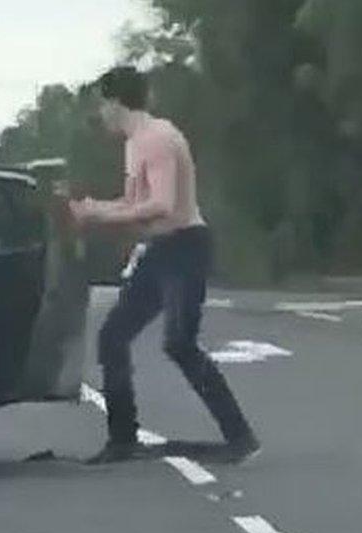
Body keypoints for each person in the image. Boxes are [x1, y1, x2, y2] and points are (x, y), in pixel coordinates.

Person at [67, 66, 260, 465]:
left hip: (185, 247)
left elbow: (162, 204)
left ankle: (240, 438)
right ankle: (122, 439)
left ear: (115, 101)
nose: (100, 114)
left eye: (102, 105)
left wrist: (99, 217)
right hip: (161, 249)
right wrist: (90, 209)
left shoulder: (156, 138)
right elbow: (134, 202)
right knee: (113, 337)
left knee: (179, 343)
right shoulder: (136, 142)